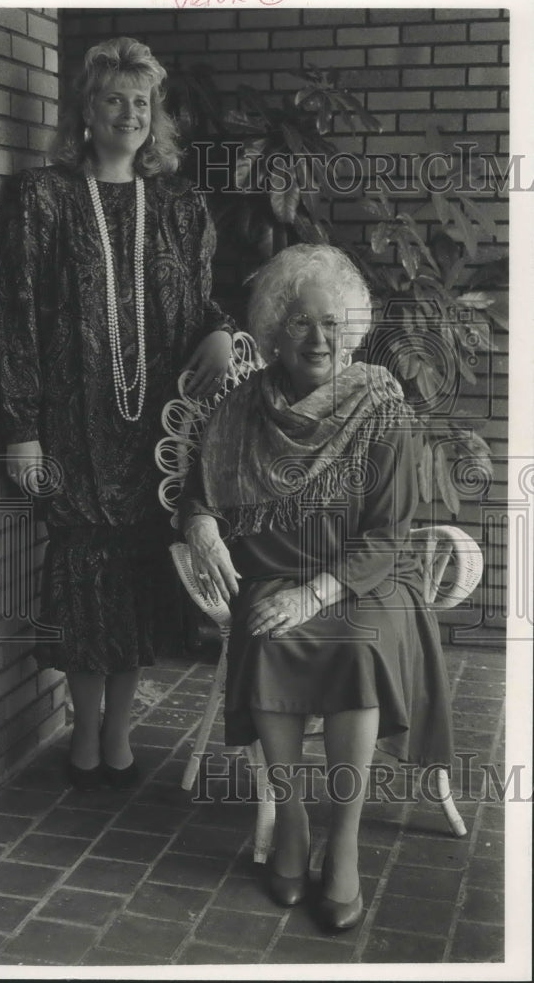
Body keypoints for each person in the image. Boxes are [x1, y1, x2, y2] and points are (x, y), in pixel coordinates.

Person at [179, 244, 453, 931]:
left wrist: (315, 594)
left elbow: (388, 536)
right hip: (274, 572)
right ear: (275, 328)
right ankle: (293, 823)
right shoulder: (242, 406)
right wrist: (205, 528)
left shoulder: (381, 408)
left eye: (332, 322)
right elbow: (199, 495)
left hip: (368, 578)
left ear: (352, 329)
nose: (318, 338)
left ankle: (346, 840)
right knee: (268, 635)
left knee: (356, 646)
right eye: (300, 321)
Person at [0, 37, 235, 791]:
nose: (130, 113)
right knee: (82, 578)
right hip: (71, 428)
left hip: (152, 436)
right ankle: (83, 727)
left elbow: (199, 304)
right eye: (113, 100)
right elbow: (20, 315)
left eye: (142, 101)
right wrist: (22, 426)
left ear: (153, 115)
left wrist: (224, 332)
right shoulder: (46, 198)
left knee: (130, 583)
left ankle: (119, 731)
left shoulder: (180, 206)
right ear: (86, 113)